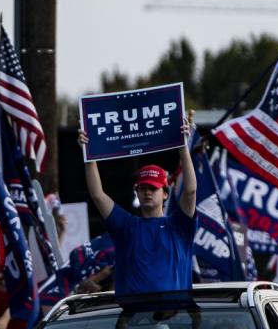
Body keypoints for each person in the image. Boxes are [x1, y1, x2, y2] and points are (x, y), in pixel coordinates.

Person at [77, 122, 197, 295]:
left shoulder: (178, 226)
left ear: (165, 194)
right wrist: (88, 154)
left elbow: (191, 191)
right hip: (133, 317)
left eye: (153, 188)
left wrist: (183, 147)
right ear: (137, 193)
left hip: (173, 315)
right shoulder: (126, 225)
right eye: (143, 188)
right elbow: (97, 194)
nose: (147, 192)